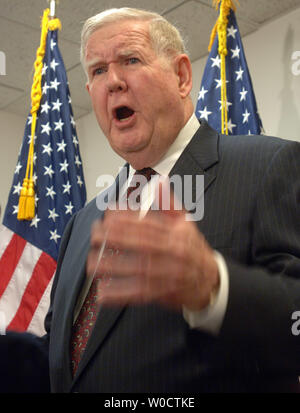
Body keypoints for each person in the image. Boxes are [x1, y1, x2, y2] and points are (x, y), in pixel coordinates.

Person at [1, 7, 300, 393]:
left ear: (181, 76)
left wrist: (215, 289)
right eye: (97, 71)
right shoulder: (83, 221)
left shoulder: (267, 167)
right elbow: (78, 360)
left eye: (130, 60)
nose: (113, 82)